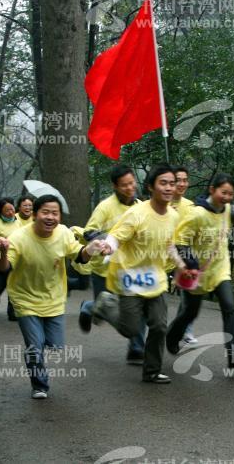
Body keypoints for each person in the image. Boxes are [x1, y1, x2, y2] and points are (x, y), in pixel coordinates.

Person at [0, 195, 106, 399]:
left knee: (55, 345)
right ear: (34, 215)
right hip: (24, 298)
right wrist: (2, 252)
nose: (50, 217)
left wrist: (90, 249)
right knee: (35, 346)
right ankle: (39, 385)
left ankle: (36, 346)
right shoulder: (19, 238)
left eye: (55, 213)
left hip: (54, 298)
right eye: (45, 212)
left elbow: (78, 255)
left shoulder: (63, 233)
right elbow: (4, 268)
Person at [91, 164, 180, 383]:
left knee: (159, 326)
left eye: (172, 183)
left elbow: (171, 245)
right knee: (131, 330)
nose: (168, 188)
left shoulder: (174, 216)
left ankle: (151, 371)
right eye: (163, 183)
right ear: (151, 187)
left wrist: (180, 265)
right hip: (130, 277)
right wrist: (108, 247)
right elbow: (116, 236)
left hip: (155, 278)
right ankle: (106, 305)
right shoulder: (136, 213)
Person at [166, 173, 234, 367]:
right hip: (196, 272)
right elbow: (180, 241)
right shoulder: (197, 214)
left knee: (229, 306)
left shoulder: (228, 210)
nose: (227, 197)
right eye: (223, 192)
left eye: (230, 194)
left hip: (220, 269)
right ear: (212, 190)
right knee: (190, 313)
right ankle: (171, 336)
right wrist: (190, 265)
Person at [78, 165, 146, 366]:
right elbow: (88, 231)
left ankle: (136, 347)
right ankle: (89, 308)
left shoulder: (141, 206)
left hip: (132, 268)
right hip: (104, 269)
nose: (129, 188)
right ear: (115, 186)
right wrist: (107, 241)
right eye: (124, 185)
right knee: (107, 306)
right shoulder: (105, 207)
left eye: (132, 183)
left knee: (136, 307)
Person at [169, 166, 197, 344]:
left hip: (185, 252)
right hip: (162, 251)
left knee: (188, 292)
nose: (182, 184)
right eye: (178, 180)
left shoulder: (191, 206)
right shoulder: (162, 202)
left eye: (185, 180)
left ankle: (186, 329)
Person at [0, 197, 21, 321]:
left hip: (15, 258)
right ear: (1, 211)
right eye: (7, 211)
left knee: (13, 284)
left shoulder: (18, 222)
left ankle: (12, 312)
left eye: (12, 209)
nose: (11, 212)